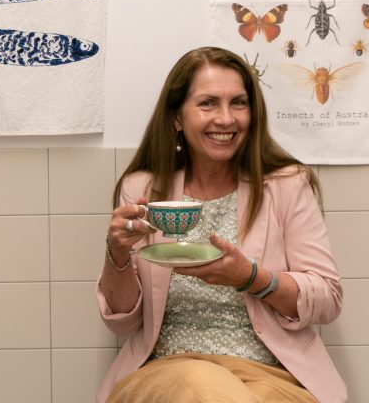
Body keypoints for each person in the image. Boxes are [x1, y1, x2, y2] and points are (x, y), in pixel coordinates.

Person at [95, 47, 346, 403]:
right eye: (208, 103)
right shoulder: (142, 190)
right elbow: (121, 322)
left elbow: (328, 300)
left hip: (273, 377)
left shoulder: (288, 185)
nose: (226, 119)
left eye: (238, 103)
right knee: (200, 384)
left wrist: (251, 278)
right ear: (176, 118)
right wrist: (117, 252)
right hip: (168, 371)